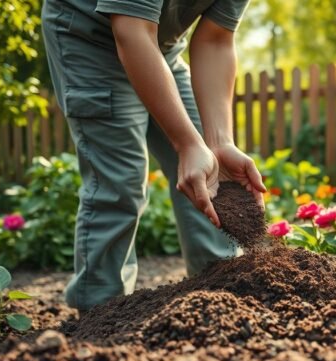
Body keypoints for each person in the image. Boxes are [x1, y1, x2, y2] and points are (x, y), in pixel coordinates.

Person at [41, 0, 265, 313]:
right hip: (90, 40)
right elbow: (131, 31)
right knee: (121, 180)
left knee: (213, 168)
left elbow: (215, 39)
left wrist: (219, 142)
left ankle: (219, 293)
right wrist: (187, 144)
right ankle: (101, 312)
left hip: (161, 46)